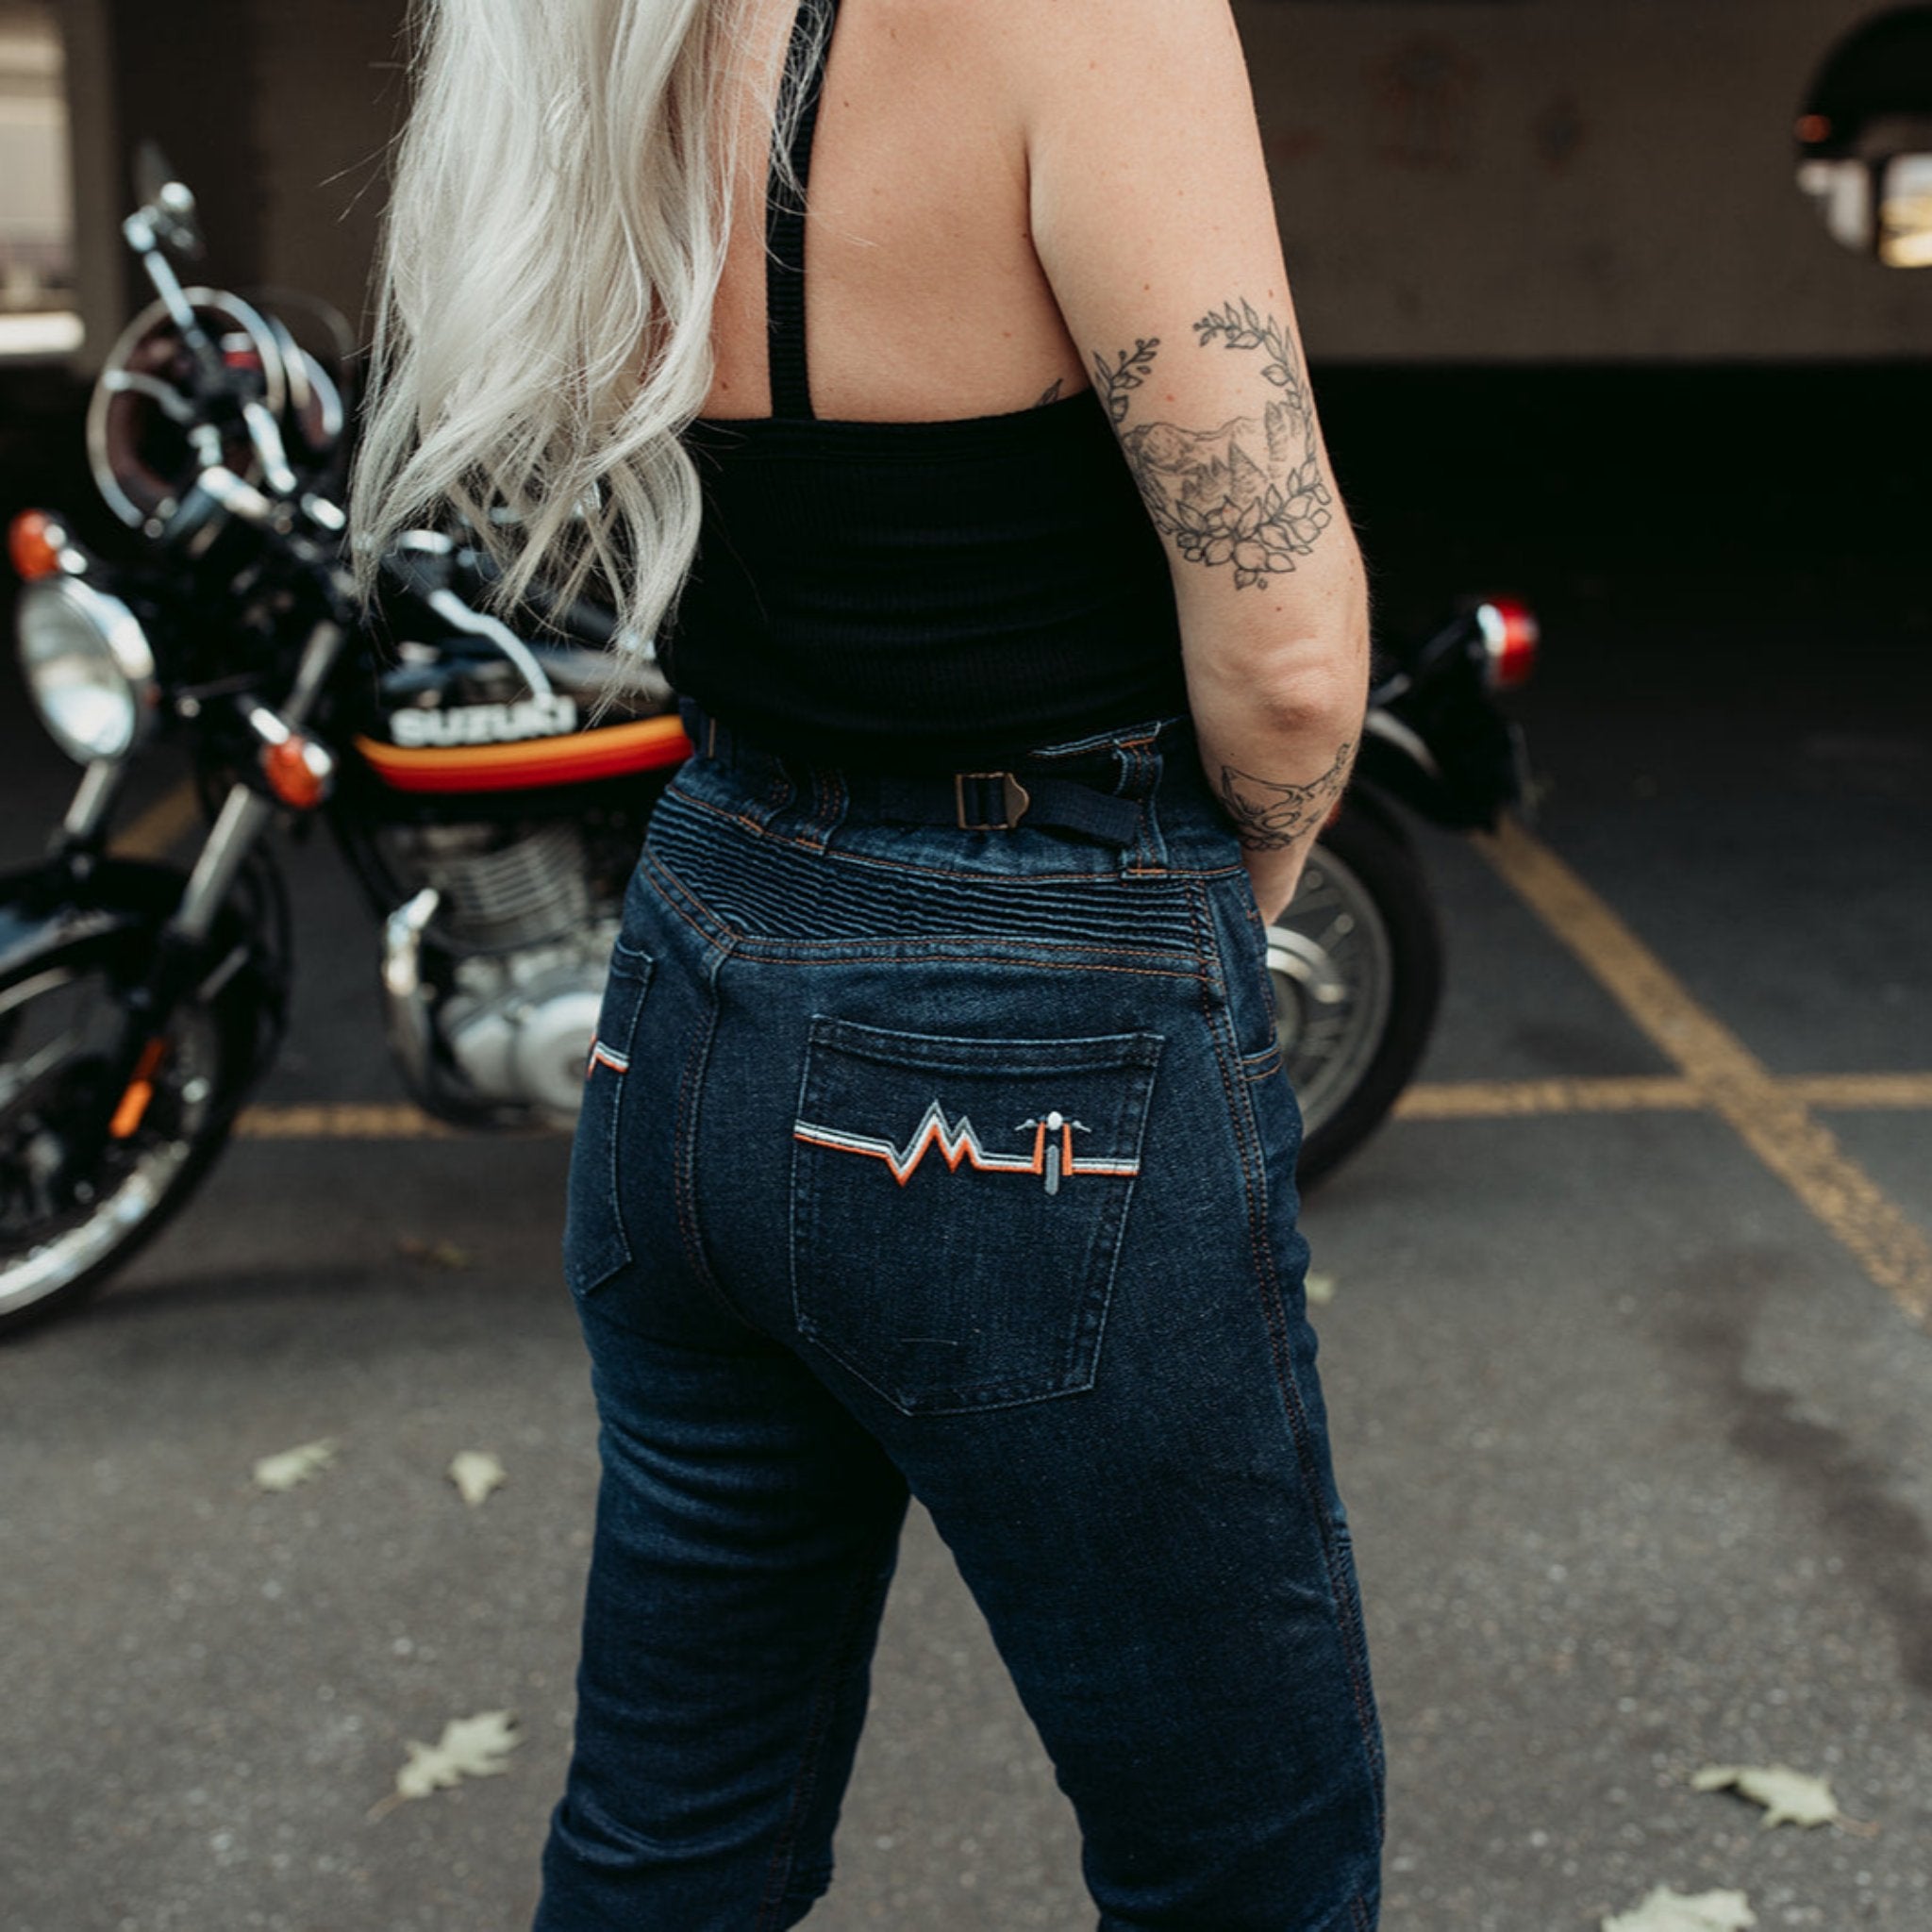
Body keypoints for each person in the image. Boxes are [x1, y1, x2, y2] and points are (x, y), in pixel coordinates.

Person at [350, 0, 1383, 1924]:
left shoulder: (602, 30)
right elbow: (1291, 658)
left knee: (676, 1841)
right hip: (1043, 987)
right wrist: (1178, 931)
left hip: (697, 957)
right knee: (1248, 1866)